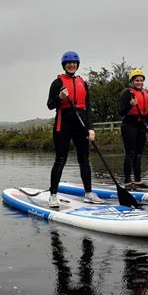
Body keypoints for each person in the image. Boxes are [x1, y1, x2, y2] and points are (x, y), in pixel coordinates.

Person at [47, 51, 103, 208]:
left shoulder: (83, 83)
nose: (71, 65)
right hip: (63, 124)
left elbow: (88, 107)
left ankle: (89, 193)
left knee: (84, 159)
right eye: (68, 63)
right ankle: (53, 195)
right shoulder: (57, 83)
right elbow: (50, 104)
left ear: (77, 65)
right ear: (64, 65)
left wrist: (90, 128)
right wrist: (60, 98)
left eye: (74, 63)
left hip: (81, 124)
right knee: (60, 159)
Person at [118, 69, 148, 188]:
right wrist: (130, 105)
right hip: (129, 125)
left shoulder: (144, 93)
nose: (139, 82)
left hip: (141, 126)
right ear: (132, 81)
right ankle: (128, 181)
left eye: (141, 80)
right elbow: (121, 112)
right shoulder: (127, 93)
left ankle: (138, 180)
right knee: (130, 154)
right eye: (137, 80)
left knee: (138, 154)